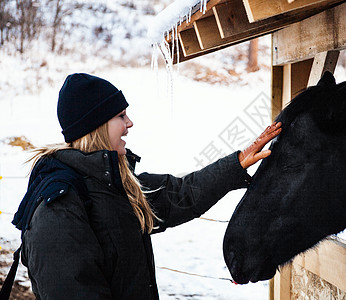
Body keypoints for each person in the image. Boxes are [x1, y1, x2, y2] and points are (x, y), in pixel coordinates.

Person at [12, 73, 282, 299]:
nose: (129, 124)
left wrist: (236, 164)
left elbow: (180, 195)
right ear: (95, 126)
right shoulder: (58, 208)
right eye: (120, 116)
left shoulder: (115, 183)